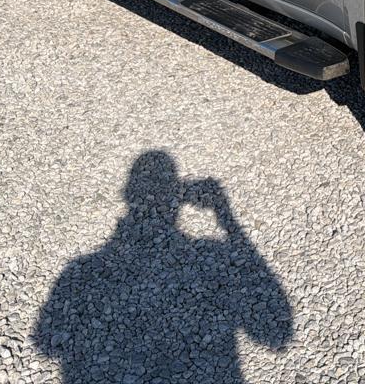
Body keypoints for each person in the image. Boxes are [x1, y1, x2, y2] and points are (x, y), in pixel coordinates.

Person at [34, 150, 291, 383]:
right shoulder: (212, 253)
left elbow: (47, 344)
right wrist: (224, 215)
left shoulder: (79, 271)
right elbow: (274, 333)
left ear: (128, 194)